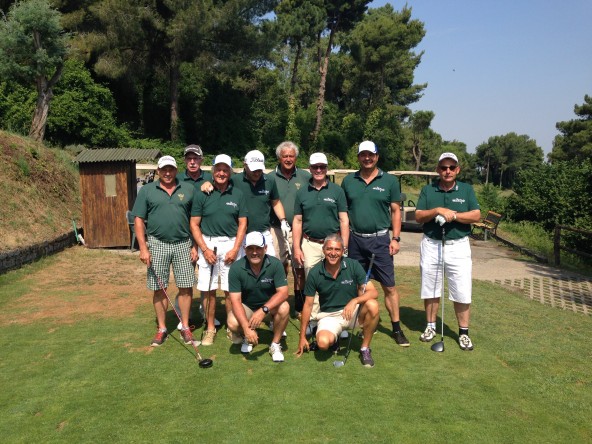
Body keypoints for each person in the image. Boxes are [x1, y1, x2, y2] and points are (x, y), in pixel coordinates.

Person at [341, 140, 409, 346]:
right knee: (360, 286)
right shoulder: (349, 181)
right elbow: (343, 214)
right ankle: (365, 323)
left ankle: (396, 328)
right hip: (355, 240)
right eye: (363, 155)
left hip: (380, 241)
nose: (367, 158)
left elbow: (396, 211)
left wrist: (395, 238)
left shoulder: (389, 181)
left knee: (389, 286)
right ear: (358, 157)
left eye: (371, 155)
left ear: (377, 157)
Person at [415, 152, 481, 351]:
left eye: (452, 167)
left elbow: (476, 215)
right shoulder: (428, 190)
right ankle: (430, 326)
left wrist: (454, 215)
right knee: (431, 288)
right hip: (431, 244)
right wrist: (437, 210)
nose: (448, 171)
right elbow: (418, 216)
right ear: (438, 170)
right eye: (444, 167)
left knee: (461, 290)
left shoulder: (466, 190)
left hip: (458, 245)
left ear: (457, 170)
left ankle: (463, 333)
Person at [132, 155, 198, 347]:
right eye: (164, 170)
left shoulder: (188, 189)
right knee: (159, 288)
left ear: (176, 170)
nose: (167, 173)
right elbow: (138, 220)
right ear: (158, 171)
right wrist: (143, 248)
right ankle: (162, 329)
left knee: (186, 287)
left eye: (171, 169)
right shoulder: (147, 190)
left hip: (183, 243)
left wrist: (195, 245)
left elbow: (195, 220)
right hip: (157, 243)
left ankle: (185, 326)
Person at [296, 234, 380, 367]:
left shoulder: (353, 265)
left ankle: (365, 349)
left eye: (337, 249)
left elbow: (373, 292)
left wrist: (354, 301)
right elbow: (308, 305)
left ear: (343, 251)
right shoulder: (315, 272)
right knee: (323, 344)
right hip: (329, 316)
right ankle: (334, 339)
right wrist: (302, 337)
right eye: (329, 249)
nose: (333, 253)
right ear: (323, 250)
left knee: (373, 305)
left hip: (352, 312)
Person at [190, 154, 248, 346]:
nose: (221, 173)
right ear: (213, 171)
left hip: (231, 244)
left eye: (225, 170)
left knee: (231, 290)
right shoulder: (202, 193)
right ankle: (210, 328)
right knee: (209, 289)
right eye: (218, 169)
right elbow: (194, 224)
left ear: (230, 172)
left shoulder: (238, 194)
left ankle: (232, 327)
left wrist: (236, 249)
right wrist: (204, 249)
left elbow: (242, 223)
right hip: (208, 243)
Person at [292, 152, 349, 339]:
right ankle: (314, 320)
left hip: (333, 243)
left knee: (337, 281)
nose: (318, 170)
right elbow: (297, 221)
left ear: (326, 169)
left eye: (322, 167)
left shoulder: (337, 191)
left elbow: (344, 220)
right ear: (310, 169)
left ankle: (339, 321)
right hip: (310, 243)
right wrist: (297, 247)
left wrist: (344, 246)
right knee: (312, 281)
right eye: (315, 167)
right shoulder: (302, 192)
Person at [226, 231, 290, 362]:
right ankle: (248, 336)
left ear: (265, 248)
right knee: (232, 322)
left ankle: (275, 344)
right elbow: (235, 301)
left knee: (284, 307)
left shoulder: (275, 264)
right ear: (245, 249)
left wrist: (263, 310)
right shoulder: (236, 268)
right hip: (247, 308)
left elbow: (283, 293)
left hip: (268, 309)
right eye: (250, 248)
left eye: (258, 248)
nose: (254, 252)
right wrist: (246, 328)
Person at [268, 141, 310, 314]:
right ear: (279, 157)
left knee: (299, 267)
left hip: (299, 229)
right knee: (280, 267)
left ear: (296, 157)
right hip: (276, 229)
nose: (288, 159)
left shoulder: (305, 176)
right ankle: (279, 304)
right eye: (284, 156)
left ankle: (299, 306)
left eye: (291, 156)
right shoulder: (270, 177)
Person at [232, 150, 290, 257]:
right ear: (245, 165)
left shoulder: (269, 181)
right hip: (240, 235)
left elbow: (276, 202)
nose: (257, 173)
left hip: (264, 233)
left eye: (259, 170)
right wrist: (208, 184)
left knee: (269, 263)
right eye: (254, 170)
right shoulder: (235, 181)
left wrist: (283, 221)